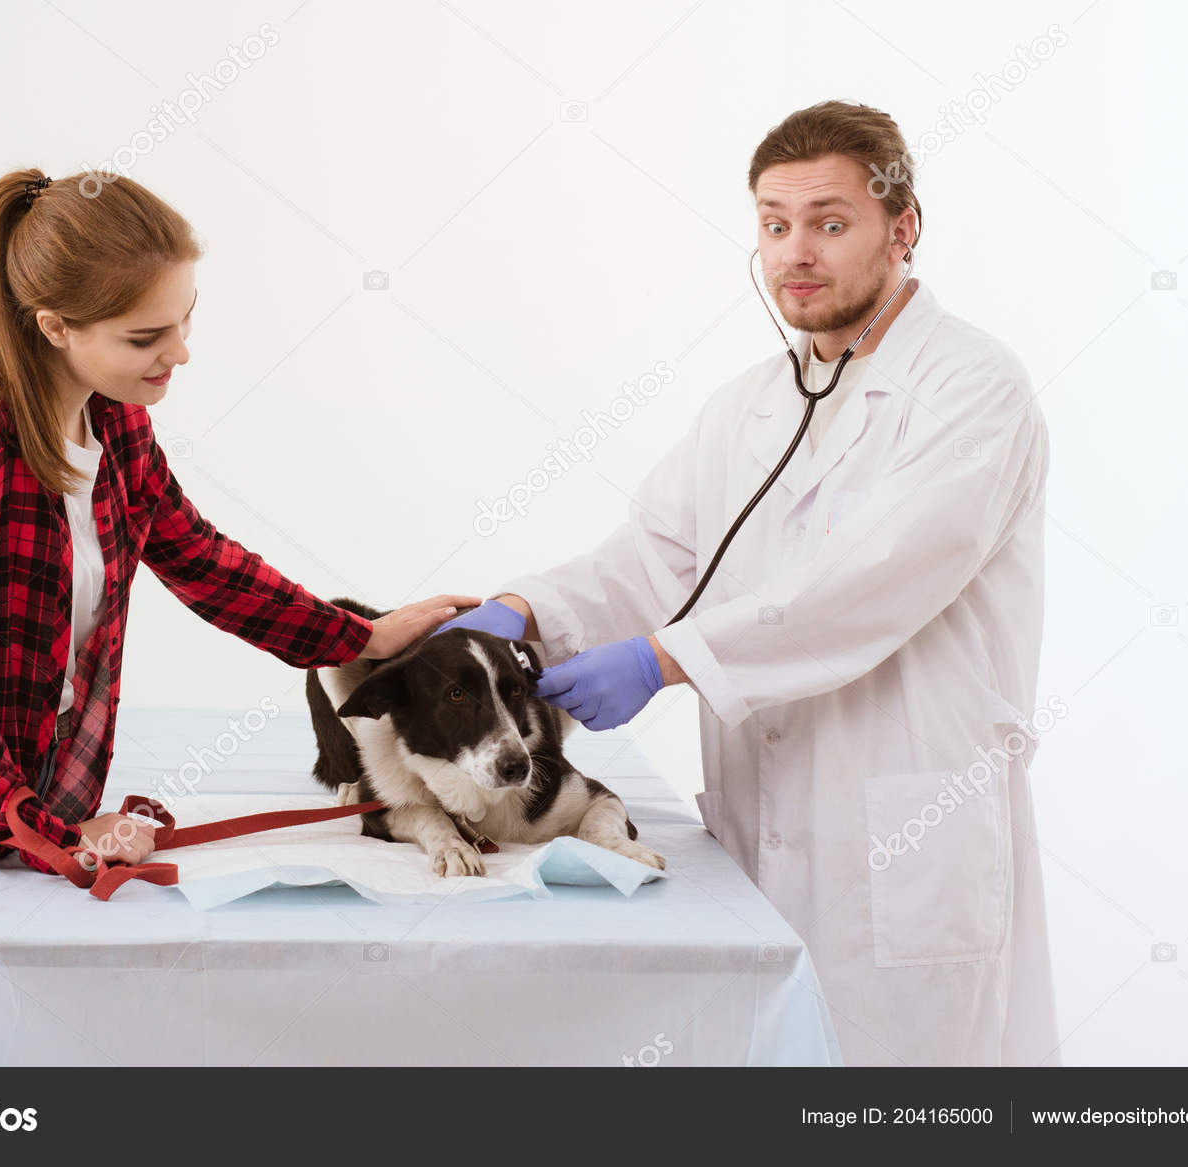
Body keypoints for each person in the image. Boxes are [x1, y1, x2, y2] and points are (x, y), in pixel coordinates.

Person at [0, 167, 475, 1067]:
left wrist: (356, 638)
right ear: (56, 327)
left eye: (187, 320)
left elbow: (195, 555)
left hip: (16, 842)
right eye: (147, 334)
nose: (179, 352)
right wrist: (45, 824)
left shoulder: (114, 423)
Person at [436, 101, 1059, 1066]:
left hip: (906, 833)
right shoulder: (751, 406)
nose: (795, 252)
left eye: (829, 222)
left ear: (904, 228)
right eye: (775, 225)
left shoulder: (974, 388)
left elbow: (872, 581)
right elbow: (651, 558)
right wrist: (526, 613)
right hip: (763, 835)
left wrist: (663, 657)